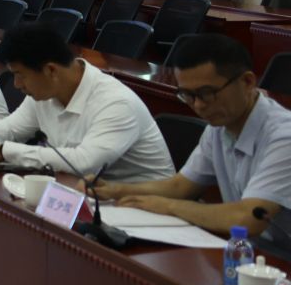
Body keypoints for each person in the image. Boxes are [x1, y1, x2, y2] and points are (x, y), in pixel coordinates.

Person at [92, 35, 291, 245]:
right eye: (187, 95)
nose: (198, 105)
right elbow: (180, 186)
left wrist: (168, 206)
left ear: (247, 82)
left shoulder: (284, 137)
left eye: (207, 93)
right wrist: (116, 190)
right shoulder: (219, 127)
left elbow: (248, 218)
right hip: (248, 250)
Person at [0, 24, 173, 183]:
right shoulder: (46, 92)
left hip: (146, 214)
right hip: (85, 196)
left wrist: (3, 151)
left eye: (20, 75)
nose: (16, 84)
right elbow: (12, 128)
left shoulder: (116, 103)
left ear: (51, 70)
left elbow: (84, 163)